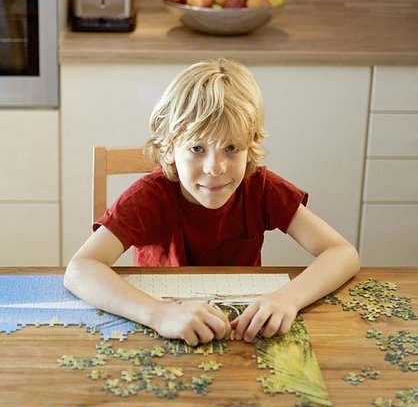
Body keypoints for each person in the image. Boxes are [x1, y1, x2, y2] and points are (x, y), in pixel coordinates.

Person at [64, 59, 359, 346]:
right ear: (168, 149)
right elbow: (80, 269)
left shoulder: (261, 188)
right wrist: (158, 314)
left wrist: (288, 298)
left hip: (240, 337)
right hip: (160, 333)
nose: (215, 168)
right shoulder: (148, 197)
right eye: (197, 148)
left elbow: (342, 253)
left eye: (231, 147)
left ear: (250, 148)